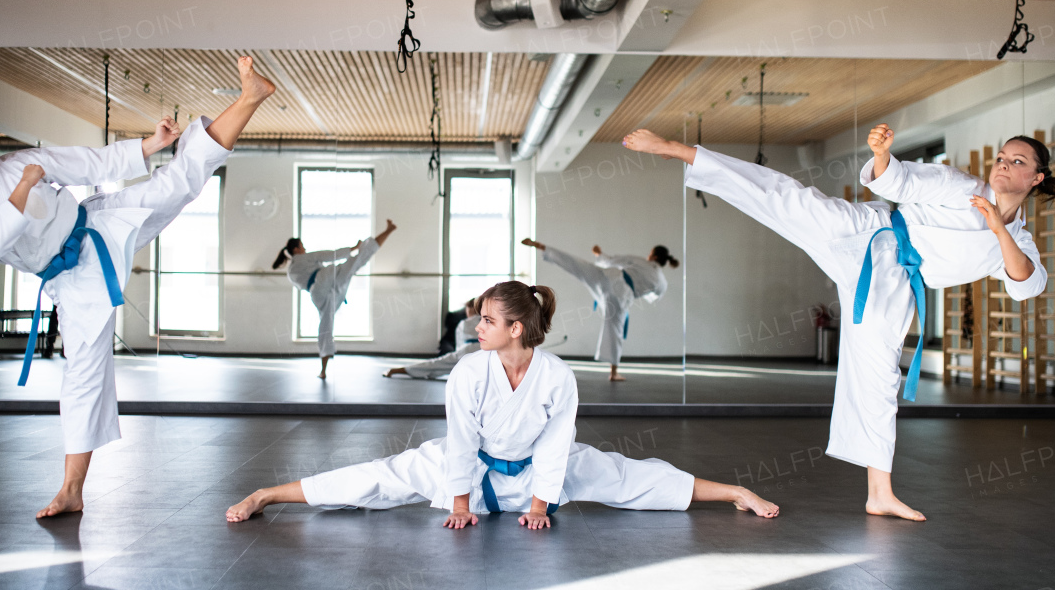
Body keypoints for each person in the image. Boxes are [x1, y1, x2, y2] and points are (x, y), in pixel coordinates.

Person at [0, 56, 277, 518]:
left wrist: (150, 144)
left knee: (179, 181)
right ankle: (72, 489)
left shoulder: (20, 162)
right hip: (73, 280)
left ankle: (250, 96)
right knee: (83, 376)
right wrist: (25, 187)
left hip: (99, 224)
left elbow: (86, 162)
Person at [622, 124, 1055, 521]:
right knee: (788, 198)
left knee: (878, 379)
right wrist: (881, 157)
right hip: (869, 233)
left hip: (893, 287)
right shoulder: (962, 187)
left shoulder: (1018, 239)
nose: (1003, 166)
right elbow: (903, 180)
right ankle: (682, 152)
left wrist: (998, 228)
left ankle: (880, 494)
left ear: (1036, 178)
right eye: (1001, 157)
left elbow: (1026, 283)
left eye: (1017, 162)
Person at [226, 281, 778, 526]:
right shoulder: (470, 371)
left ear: (517, 327)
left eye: (488, 320)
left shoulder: (557, 376)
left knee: (627, 478)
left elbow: (558, 443)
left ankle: (732, 491)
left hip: (541, 472)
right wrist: (460, 502)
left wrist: (540, 506)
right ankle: (267, 494)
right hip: (471, 472)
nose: (478, 326)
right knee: (380, 479)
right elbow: (462, 442)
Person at [521, 238, 677, 381]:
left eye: (650, 254)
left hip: (609, 277)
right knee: (615, 330)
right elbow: (653, 297)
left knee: (579, 266)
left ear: (654, 256)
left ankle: (543, 247)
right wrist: (639, 290)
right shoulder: (662, 283)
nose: (648, 256)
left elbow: (612, 261)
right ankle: (614, 372)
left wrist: (598, 254)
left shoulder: (642, 262)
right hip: (621, 296)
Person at [273, 220, 396, 379]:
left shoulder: (291, 272)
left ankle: (323, 370)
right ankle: (385, 233)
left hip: (319, 293)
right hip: (325, 280)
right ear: (296, 249)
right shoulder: (301, 259)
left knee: (325, 326)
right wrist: (352, 249)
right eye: (302, 246)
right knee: (359, 258)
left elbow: (304, 284)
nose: (305, 249)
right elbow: (326, 255)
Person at [384, 297, 481, 379]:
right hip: (484, 351)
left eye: (467, 309)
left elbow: (460, 344)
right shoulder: (485, 320)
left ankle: (396, 370)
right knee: (444, 367)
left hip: (467, 351)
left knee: (435, 365)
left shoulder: (465, 323)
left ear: (471, 308)